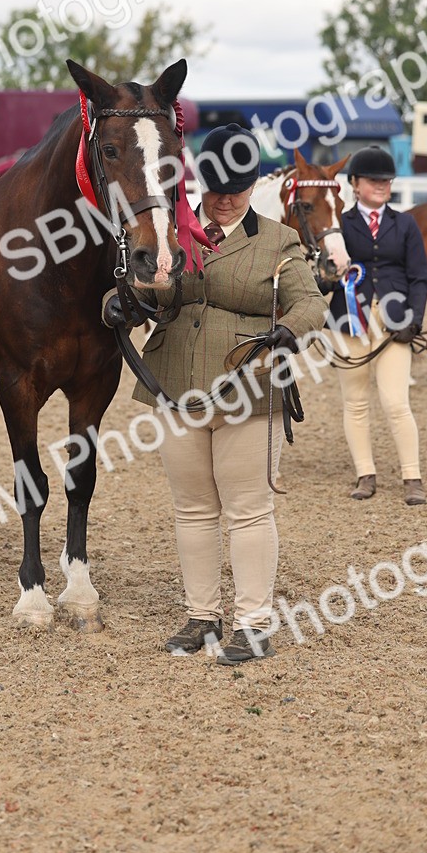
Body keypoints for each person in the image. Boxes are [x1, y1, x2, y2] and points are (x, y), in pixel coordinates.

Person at [103, 124, 326, 664]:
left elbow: (312, 304)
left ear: (253, 186)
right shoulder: (173, 235)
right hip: (176, 385)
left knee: (249, 510)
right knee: (193, 509)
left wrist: (289, 331)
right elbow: (140, 285)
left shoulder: (279, 240)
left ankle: (253, 624)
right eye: (217, 187)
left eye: (238, 188)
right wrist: (117, 300)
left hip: (248, 390)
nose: (225, 199)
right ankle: (201, 615)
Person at [322, 145, 427, 506]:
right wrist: (324, 275)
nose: (382, 185)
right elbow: (328, 273)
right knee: (354, 402)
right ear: (354, 183)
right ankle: (365, 473)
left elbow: (419, 277)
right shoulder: (341, 223)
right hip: (348, 322)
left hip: (393, 324)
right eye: (373, 180)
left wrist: (414, 320)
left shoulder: (406, 224)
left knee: (396, 402)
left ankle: (412, 477)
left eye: (386, 180)